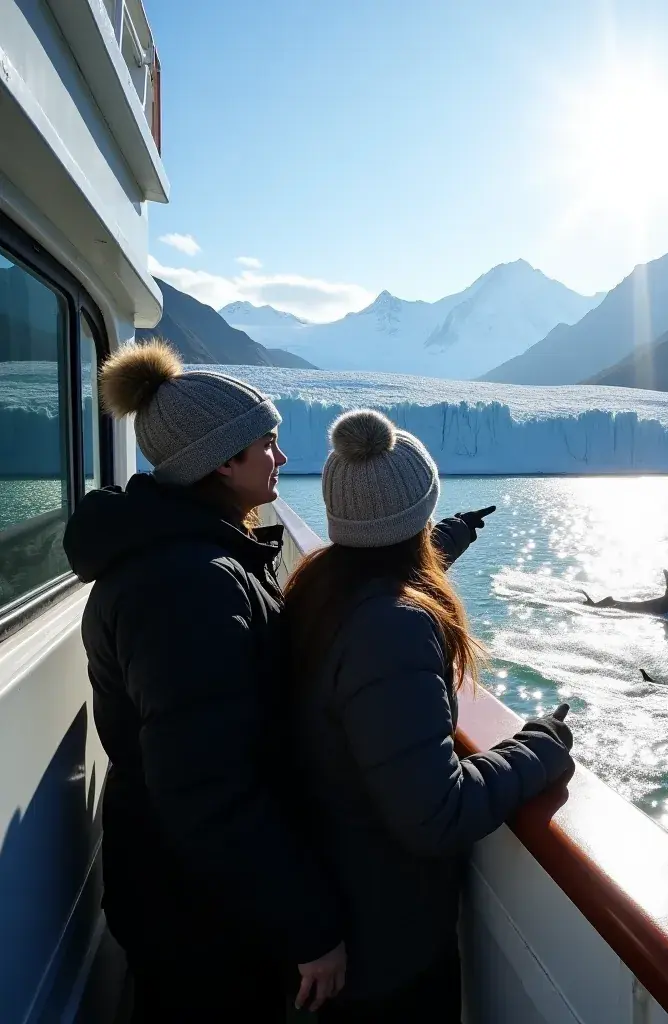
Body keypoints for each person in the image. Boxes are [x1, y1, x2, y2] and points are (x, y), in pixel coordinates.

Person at [62, 341, 347, 1023]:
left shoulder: (182, 555)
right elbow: (206, 787)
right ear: (223, 460)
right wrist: (308, 926)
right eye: (267, 443)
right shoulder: (186, 585)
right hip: (198, 916)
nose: (280, 457)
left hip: (184, 892)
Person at [285, 408, 575, 1023]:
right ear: (417, 515)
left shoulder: (319, 588)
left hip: (343, 899)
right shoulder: (393, 629)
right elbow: (435, 815)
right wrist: (541, 746)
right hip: (386, 948)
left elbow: (386, 559)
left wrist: (453, 535)